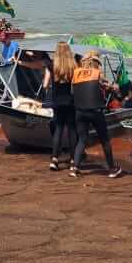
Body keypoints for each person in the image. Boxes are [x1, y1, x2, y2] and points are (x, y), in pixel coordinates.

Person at [71, 52, 123, 178]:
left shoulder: (76, 73)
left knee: (82, 139)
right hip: (95, 111)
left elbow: (73, 91)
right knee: (105, 140)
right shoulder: (97, 73)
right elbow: (110, 86)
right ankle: (112, 169)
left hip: (79, 111)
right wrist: (114, 87)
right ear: (95, 64)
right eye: (98, 64)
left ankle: (74, 168)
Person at [41, 41, 77, 172]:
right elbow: (75, 84)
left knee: (59, 129)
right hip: (70, 101)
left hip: (57, 101)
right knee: (72, 130)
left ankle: (55, 160)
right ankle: (73, 161)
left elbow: (45, 85)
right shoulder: (74, 66)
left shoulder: (51, 65)